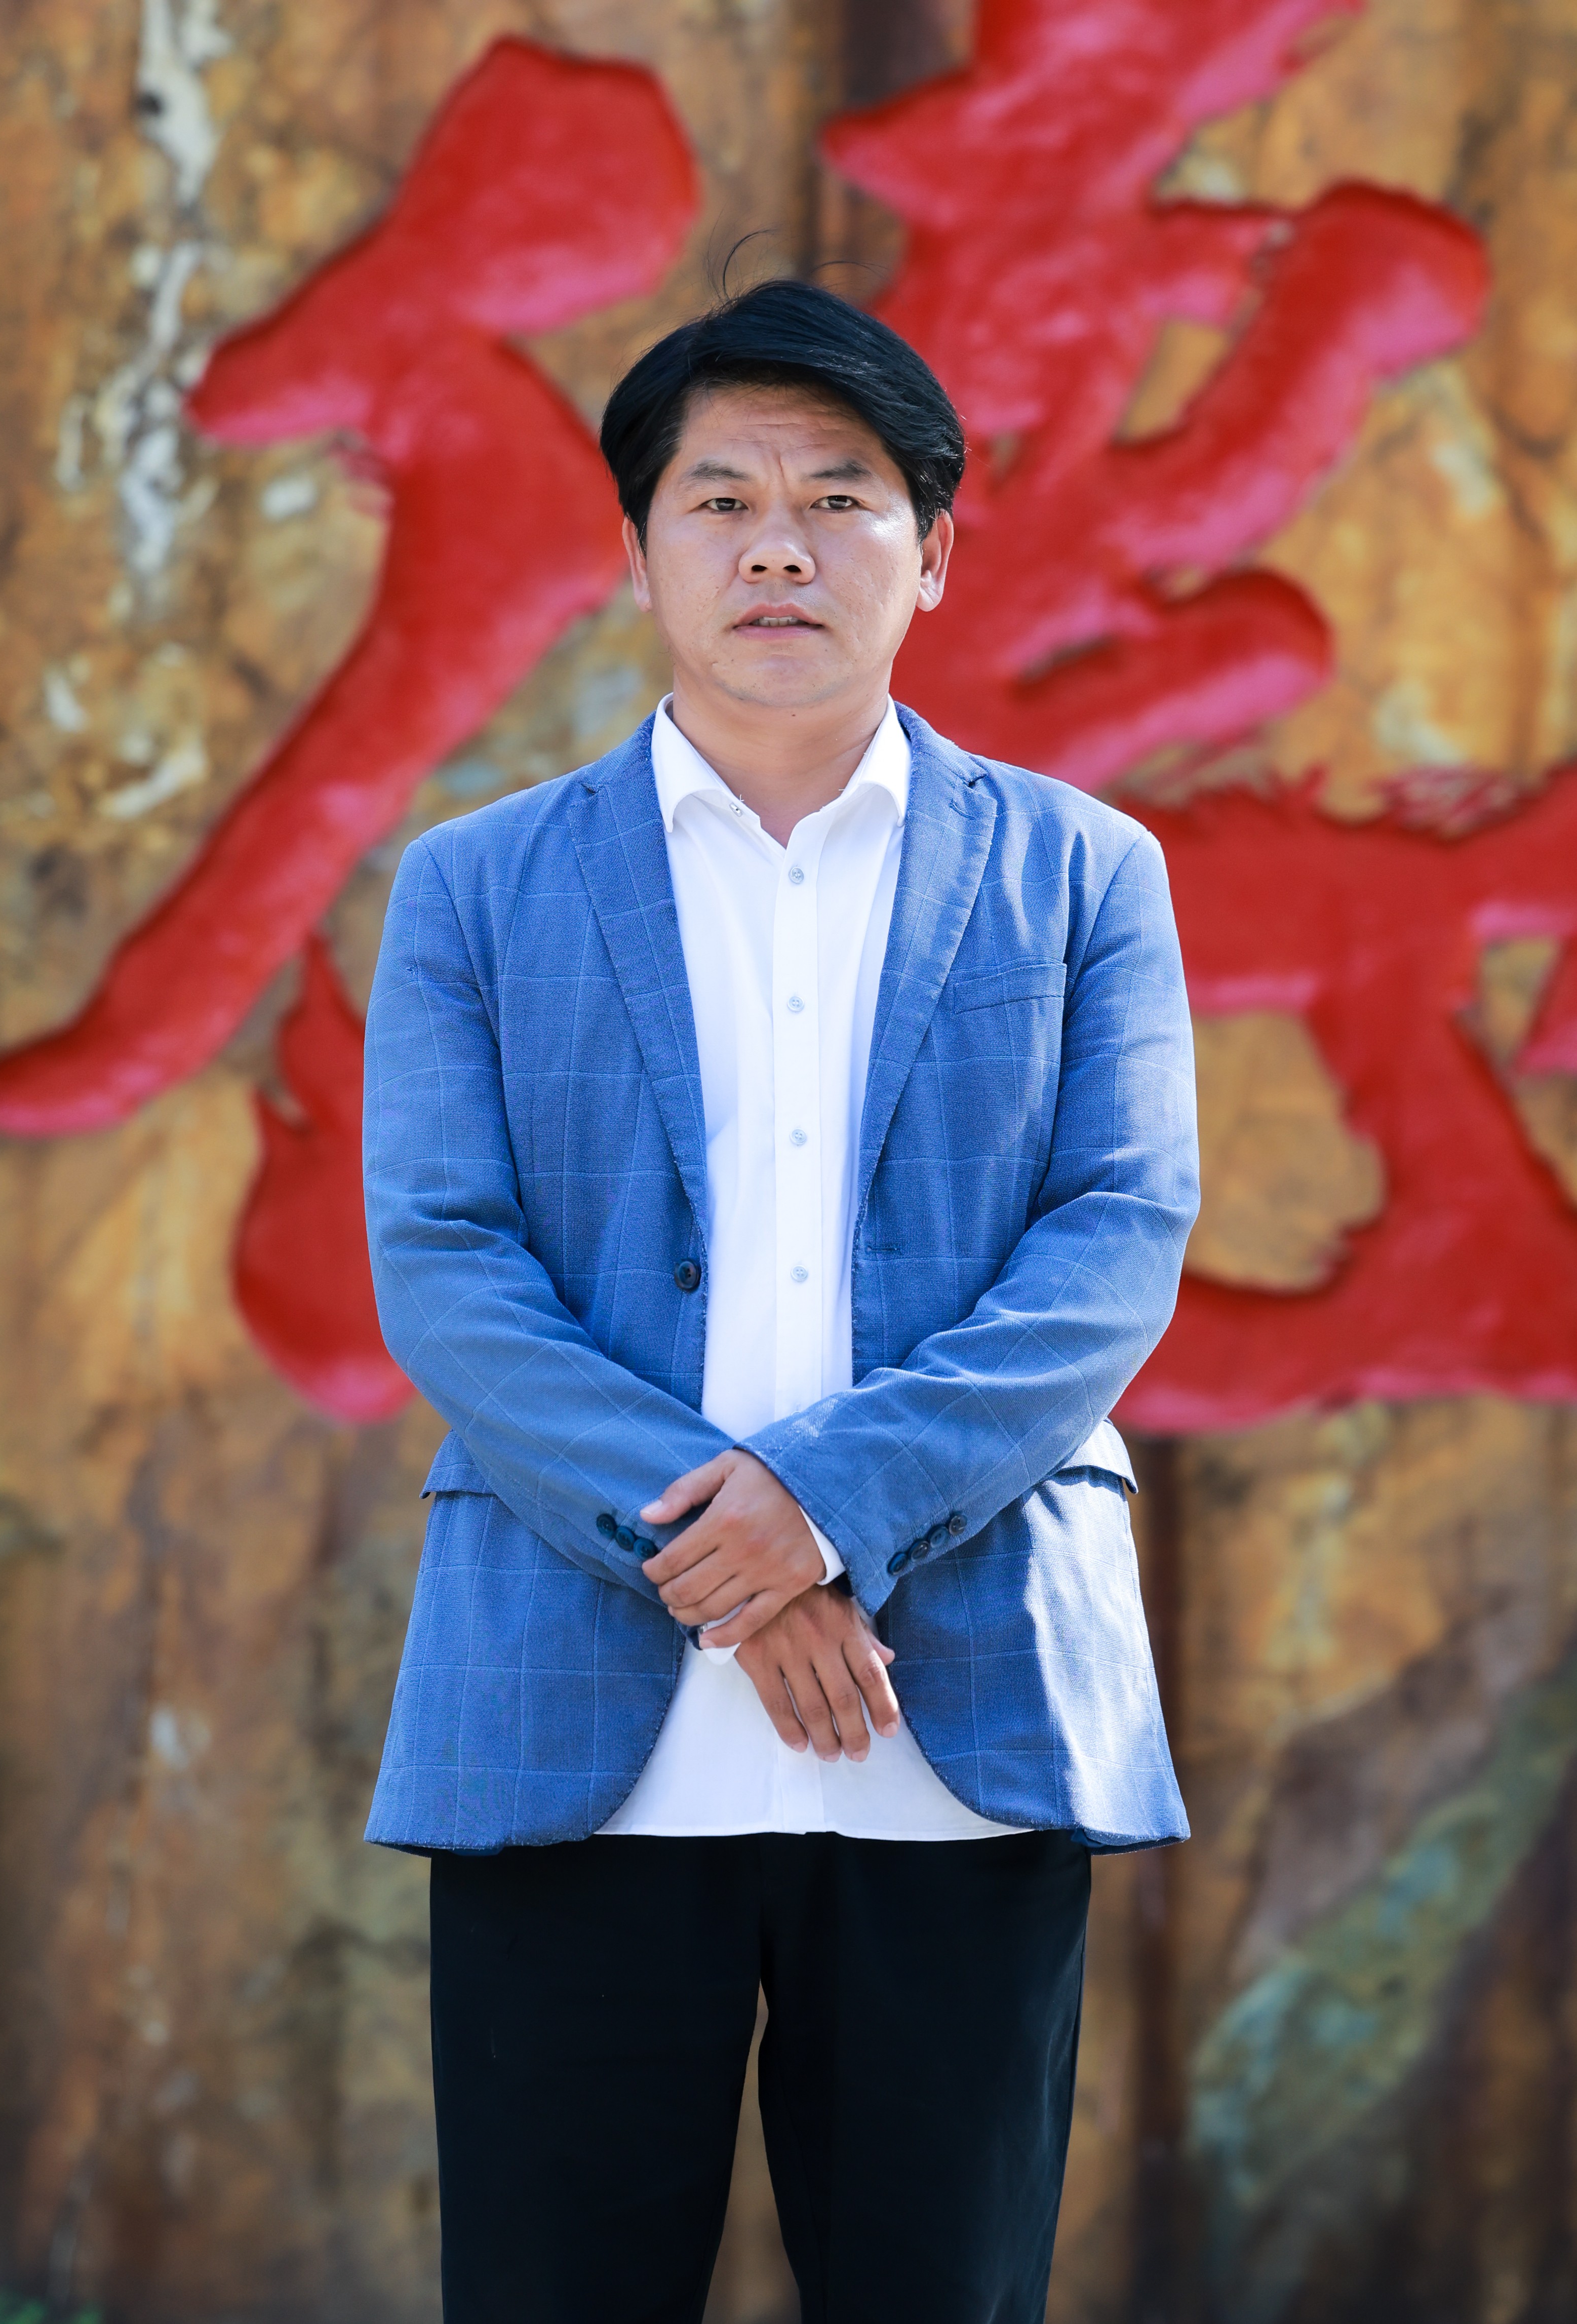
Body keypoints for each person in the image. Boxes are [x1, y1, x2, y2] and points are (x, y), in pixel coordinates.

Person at [362, 275, 1199, 2324]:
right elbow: (446, 1261)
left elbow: (1116, 1234)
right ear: (639, 550)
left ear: (934, 551)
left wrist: (823, 1507)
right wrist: (741, 1569)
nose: (778, 548)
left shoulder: (1082, 871)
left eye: (840, 498)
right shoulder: (477, 884)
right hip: (576, 1710)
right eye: (720, 499)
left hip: (959, 1706)